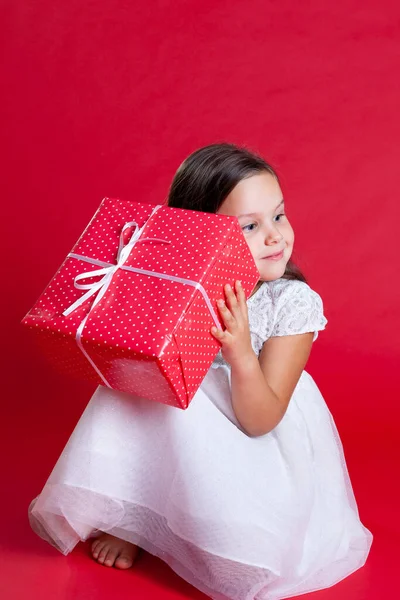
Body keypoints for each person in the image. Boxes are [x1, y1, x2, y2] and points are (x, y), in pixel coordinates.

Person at [29, 143, 372, 600]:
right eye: (250, 226)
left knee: (186, 404)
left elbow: (261, 420)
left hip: (254, 436)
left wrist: (238, 354)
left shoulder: (291, 303)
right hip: (182, 428)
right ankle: (135, 518)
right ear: (200, 234)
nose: (275, 237)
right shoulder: (181, 293)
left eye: (279, 216)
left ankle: (205, 532)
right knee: (135, 387)